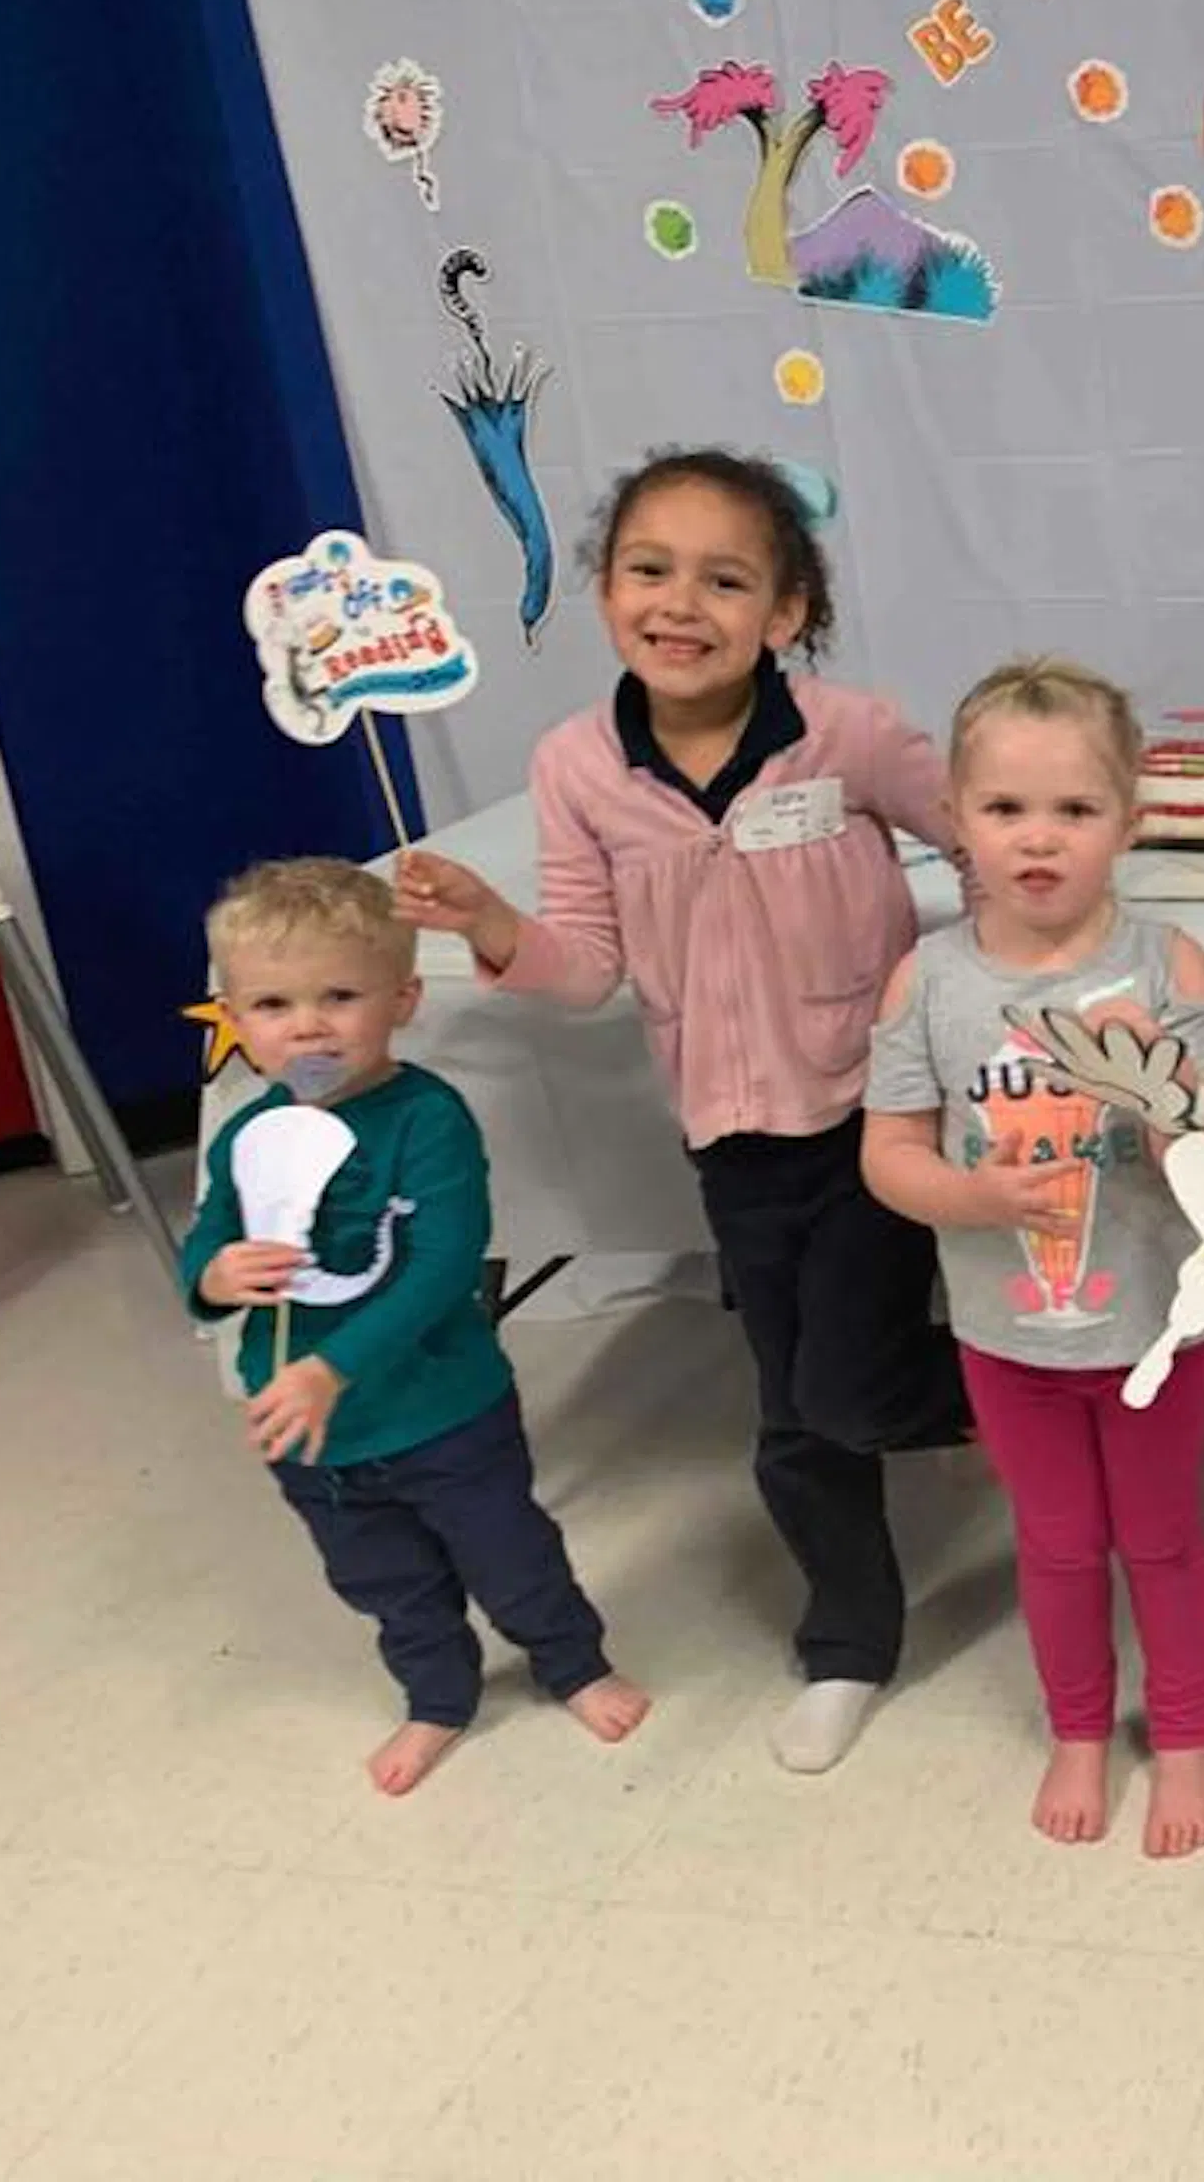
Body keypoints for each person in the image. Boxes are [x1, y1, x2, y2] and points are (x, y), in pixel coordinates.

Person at [394, 449, 966, 1777]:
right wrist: (488, 923)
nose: (681, 603)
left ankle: (1020, 1391)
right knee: (796, 1413)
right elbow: (587, 967)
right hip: (730, 1137)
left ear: (785, 611)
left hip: (879, 1112)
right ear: (605, 590)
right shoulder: (575, 766)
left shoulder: (848, 732)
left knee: (841, 1386)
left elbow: (982, 844)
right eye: (649, 569)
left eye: (725, 580)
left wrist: (1006, 982)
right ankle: (851, 1645)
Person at [863, 659, 1204, 1860]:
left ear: (1129, 820)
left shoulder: (1169, 965)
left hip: (1157, 1327)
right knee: (1059, 1543)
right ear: (955, 820)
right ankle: (1078, 1729)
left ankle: (1186, 1734)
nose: (1039, 838)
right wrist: (970, 1196)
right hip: (1005, 1334)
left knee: (1163, 1539)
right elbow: (888, 1155)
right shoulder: (929, 980)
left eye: (1075, 809)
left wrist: (1161, 1087)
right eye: (1005, 808)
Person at [184, 859, 648, 1796]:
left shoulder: (425, 1119)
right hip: (309, 1432)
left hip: (443, 1411)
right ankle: (437, 1695)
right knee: (381, 1579)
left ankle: (571, 1663)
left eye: (340, 996)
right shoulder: (245, 1137)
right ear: (234, 1017)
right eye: (272, 1004)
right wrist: (213, 1278)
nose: (308, 1026)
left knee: (510, 1556)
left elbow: (443, 1266)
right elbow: (208, 1239)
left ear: (402, 1000)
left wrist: (333, 1368)